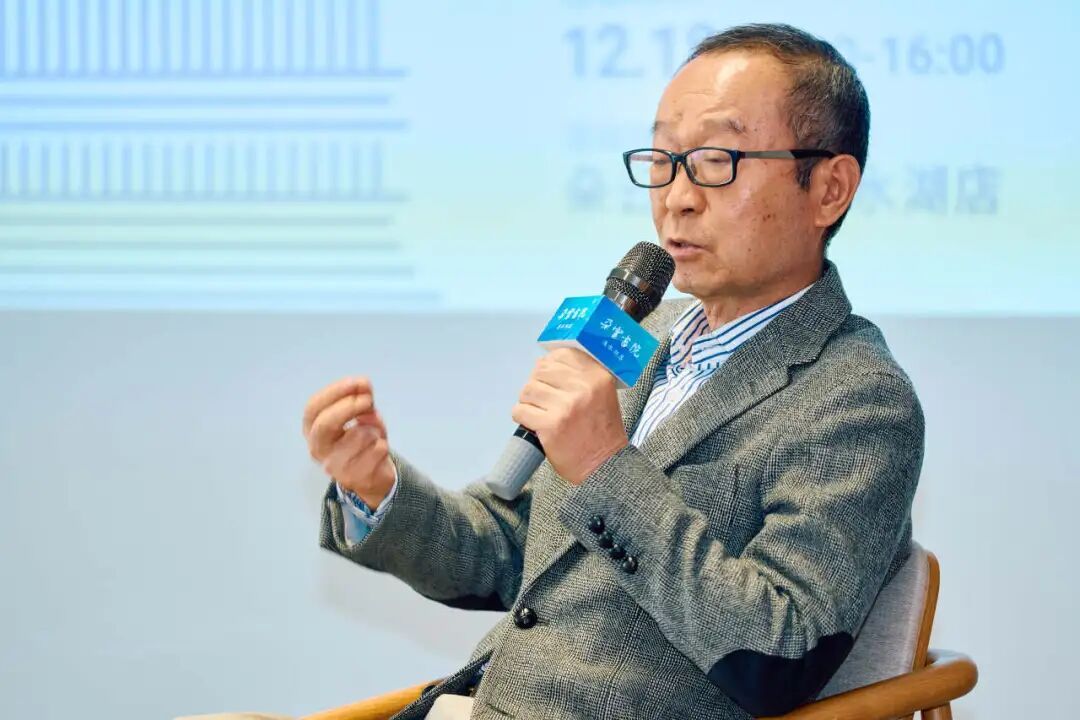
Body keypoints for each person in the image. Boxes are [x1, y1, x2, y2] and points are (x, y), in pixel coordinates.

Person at [304, 23, 924, 720]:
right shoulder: (642, 333)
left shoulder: (859, 401)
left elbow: (778, 654)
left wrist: (604, 467)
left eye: (716, 160)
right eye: (664, 159)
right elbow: (513, 551)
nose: (677, 197)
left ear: (830, 189)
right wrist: (376, 489)